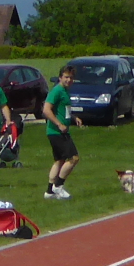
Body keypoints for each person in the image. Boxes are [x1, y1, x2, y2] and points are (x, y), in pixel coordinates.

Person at [41, 70, 79, 200]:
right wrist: (59, 124)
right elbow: (46, 110)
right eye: (66, 77)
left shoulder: (65, 91)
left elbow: (63, 110)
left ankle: (49, 191)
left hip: (61, 131)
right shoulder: (57, 91)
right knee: (73, 158)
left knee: (59, 160)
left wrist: (74, 118)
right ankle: (58, 186)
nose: (69, 80)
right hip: (56, 132)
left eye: (71, 78)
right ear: (60, 77)